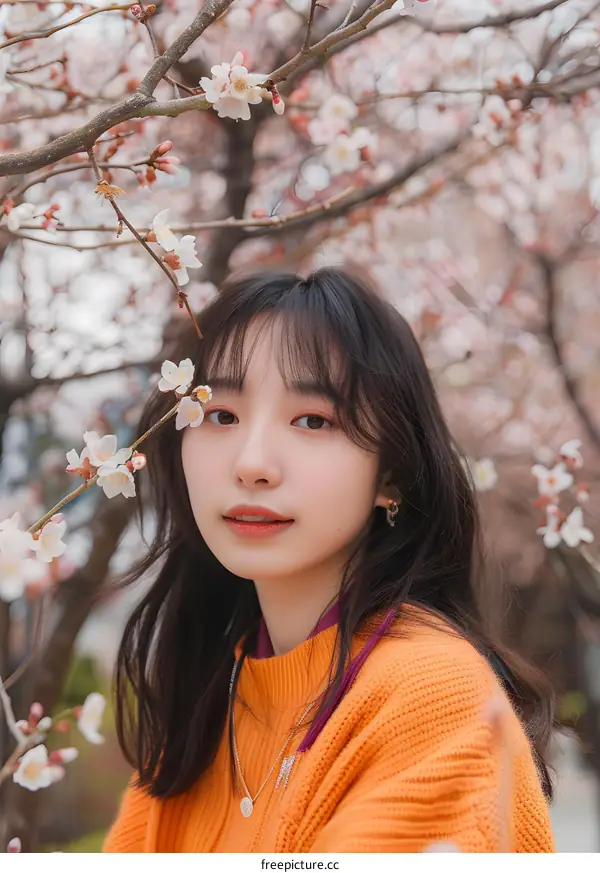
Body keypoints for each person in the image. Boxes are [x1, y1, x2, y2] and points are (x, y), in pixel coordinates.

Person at [102, 267, 555, 853]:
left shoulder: (432, 699)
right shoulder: (211, 701)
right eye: (221, 415)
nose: (253, 463)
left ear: (390, 474)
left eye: (312, 420)